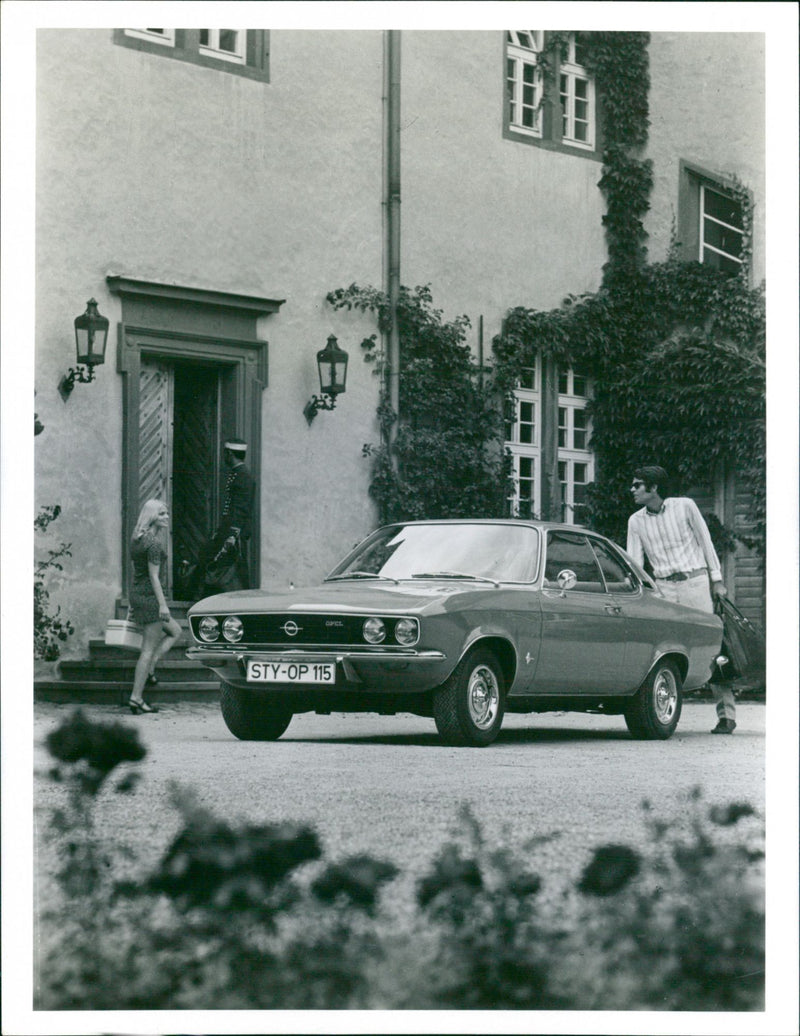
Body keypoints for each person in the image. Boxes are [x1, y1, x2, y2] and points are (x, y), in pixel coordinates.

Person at [626, 465, 736, 735]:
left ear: (654, 488)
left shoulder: (685, 506)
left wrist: (717, 580)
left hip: (695, 583)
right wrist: (641, 595)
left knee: (712, 648)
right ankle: (662, 712)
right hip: (663, 588)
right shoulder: (635, 521)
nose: (633, 489)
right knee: (662, 649)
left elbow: (706, 541)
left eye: (638, 485)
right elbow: (635, 563)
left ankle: (727, 715)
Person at [128, 499, 182, 714]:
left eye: (167, 513)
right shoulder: (153, 544)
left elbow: (138, 572)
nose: (166, 517)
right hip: (150, 597)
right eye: (162, 514)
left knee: (175, 631)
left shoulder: (137, 539)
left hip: (138, 593)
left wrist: (134, 602)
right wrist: (163, 605)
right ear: (152, 516)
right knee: (147, 650)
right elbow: (154, 577)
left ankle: (151, 666)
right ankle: (136, 698)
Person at [195, 437, 256, 596]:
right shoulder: (238, 474)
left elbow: (241, 508)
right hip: (227, 530)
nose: (224, 457)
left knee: (230, 571)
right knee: (215, 564)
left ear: (229, 454)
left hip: (232, 533)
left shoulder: (243, 477)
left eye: (225, 453)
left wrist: (232, 535)